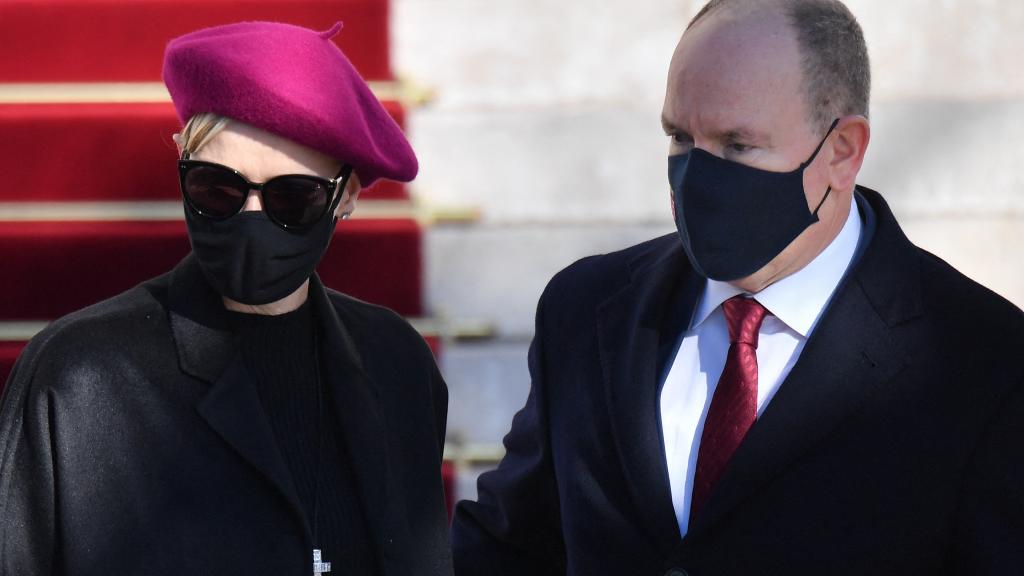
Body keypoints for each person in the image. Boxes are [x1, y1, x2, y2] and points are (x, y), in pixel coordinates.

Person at [451, 1, 1024, 574]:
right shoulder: (586, 310)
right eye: (679, 135)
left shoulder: (984, 363)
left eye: (737, 144)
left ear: (843, 151)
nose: (698, 175)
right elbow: (508, 550)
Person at [0, 21, 451, 575]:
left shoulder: (396, 362)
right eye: (217, 188)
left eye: (293, 198)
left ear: (347, 197)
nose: (252, 219)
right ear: (182, 176)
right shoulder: (77, 374)